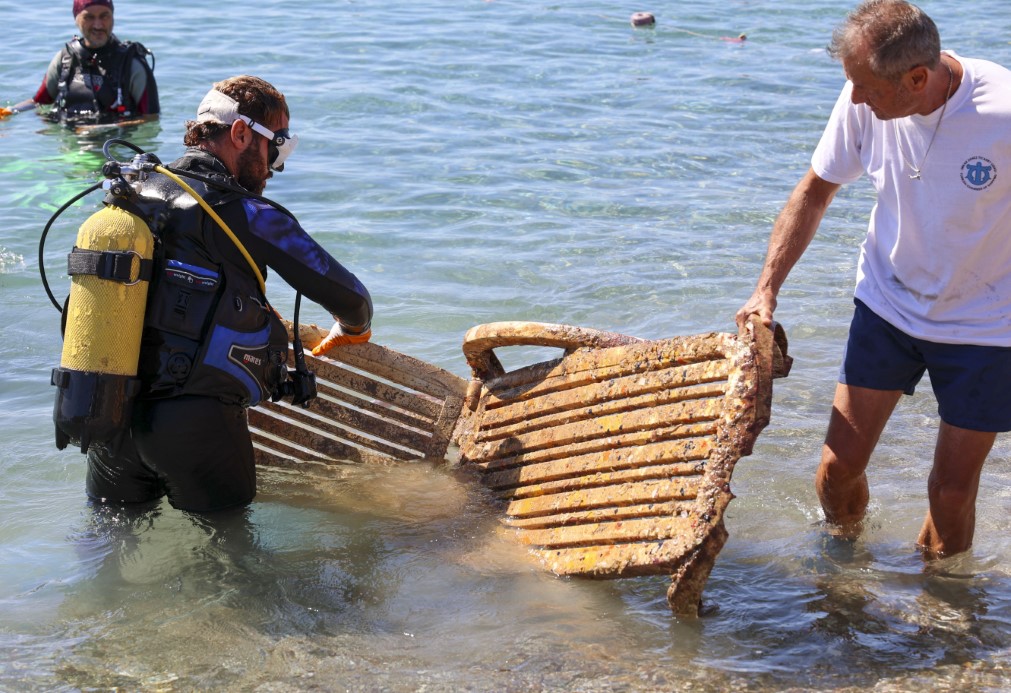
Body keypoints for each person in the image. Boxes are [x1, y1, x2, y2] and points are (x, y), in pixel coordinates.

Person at [735, 0, 1011, 558]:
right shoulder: (863, 94)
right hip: (887, 306)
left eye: (867, 90)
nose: (856, 99)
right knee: (836, 473)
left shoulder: (1003, 114)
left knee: (950, 494)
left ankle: (938, 622)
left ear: (917, 78)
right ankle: (844, 579)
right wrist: (766, 288)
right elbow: (815, 191)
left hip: (986, 325)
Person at [84, 75, 373, 513]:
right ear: (241, 134)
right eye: (277, 147)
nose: (276, 167)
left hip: (108, 416)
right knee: (233, 563)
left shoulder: (133, 192)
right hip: (195, 426)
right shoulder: (247, 213)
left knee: (106, 547)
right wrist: (354, 329)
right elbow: (351, 298)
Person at [4, 0, 158, 123]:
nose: (98, 25)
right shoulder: (65, 58)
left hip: (112, 147)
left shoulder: (132, 64)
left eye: (104, 16)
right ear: (76, 19)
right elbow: (39, 102)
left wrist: (102, 130)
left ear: (113, 17)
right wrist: (9, 111)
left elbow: (151, 119)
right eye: (89, 17)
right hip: (68, 144)